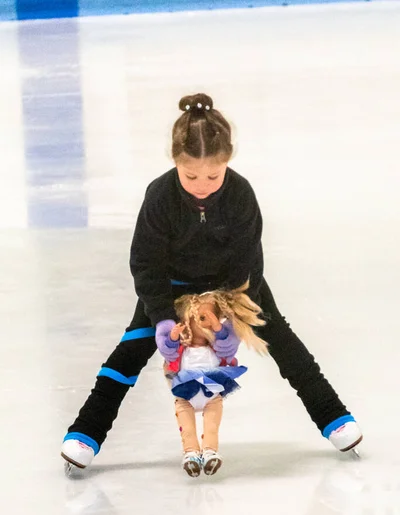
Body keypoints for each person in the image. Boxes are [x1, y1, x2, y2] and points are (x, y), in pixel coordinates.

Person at [61, 92, 363, 470]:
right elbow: (145, 262)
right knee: (129, 353)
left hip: (233, 290)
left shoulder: (240, 195)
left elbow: (247, 262)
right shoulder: (159, 197)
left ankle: (334, 417)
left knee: (283, 341)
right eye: (190, 175)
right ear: (175, 162)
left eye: (212, 175)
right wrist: (161, 320)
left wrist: (228, 319)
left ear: (227, 163)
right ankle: (86, 432)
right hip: (171, 289)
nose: (202, 184)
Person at [163, 284, 267, 477]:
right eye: (197, 318)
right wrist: (172, 337)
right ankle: (191, 453)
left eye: (208, 318)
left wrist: (218, 327)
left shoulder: (217, 348)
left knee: (211, 425)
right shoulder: (181, 348)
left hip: (212, 393)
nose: (203, 323)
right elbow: (168, 352)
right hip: (185, 393)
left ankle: (210, 451)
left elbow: (226, 347)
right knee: (187, 427)